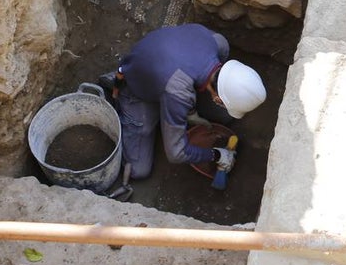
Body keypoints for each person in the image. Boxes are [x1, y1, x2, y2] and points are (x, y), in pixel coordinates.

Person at [99, 24, 266, 180]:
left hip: (161, 63)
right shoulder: (178, 91)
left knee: (224, 116)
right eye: (222, 102)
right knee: (138, 170)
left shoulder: (219, 43)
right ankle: (117, 86)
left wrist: (190, 113)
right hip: (137, 86)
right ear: (218, 97)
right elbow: (176, 152)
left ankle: (157, 90)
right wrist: (216, 155)